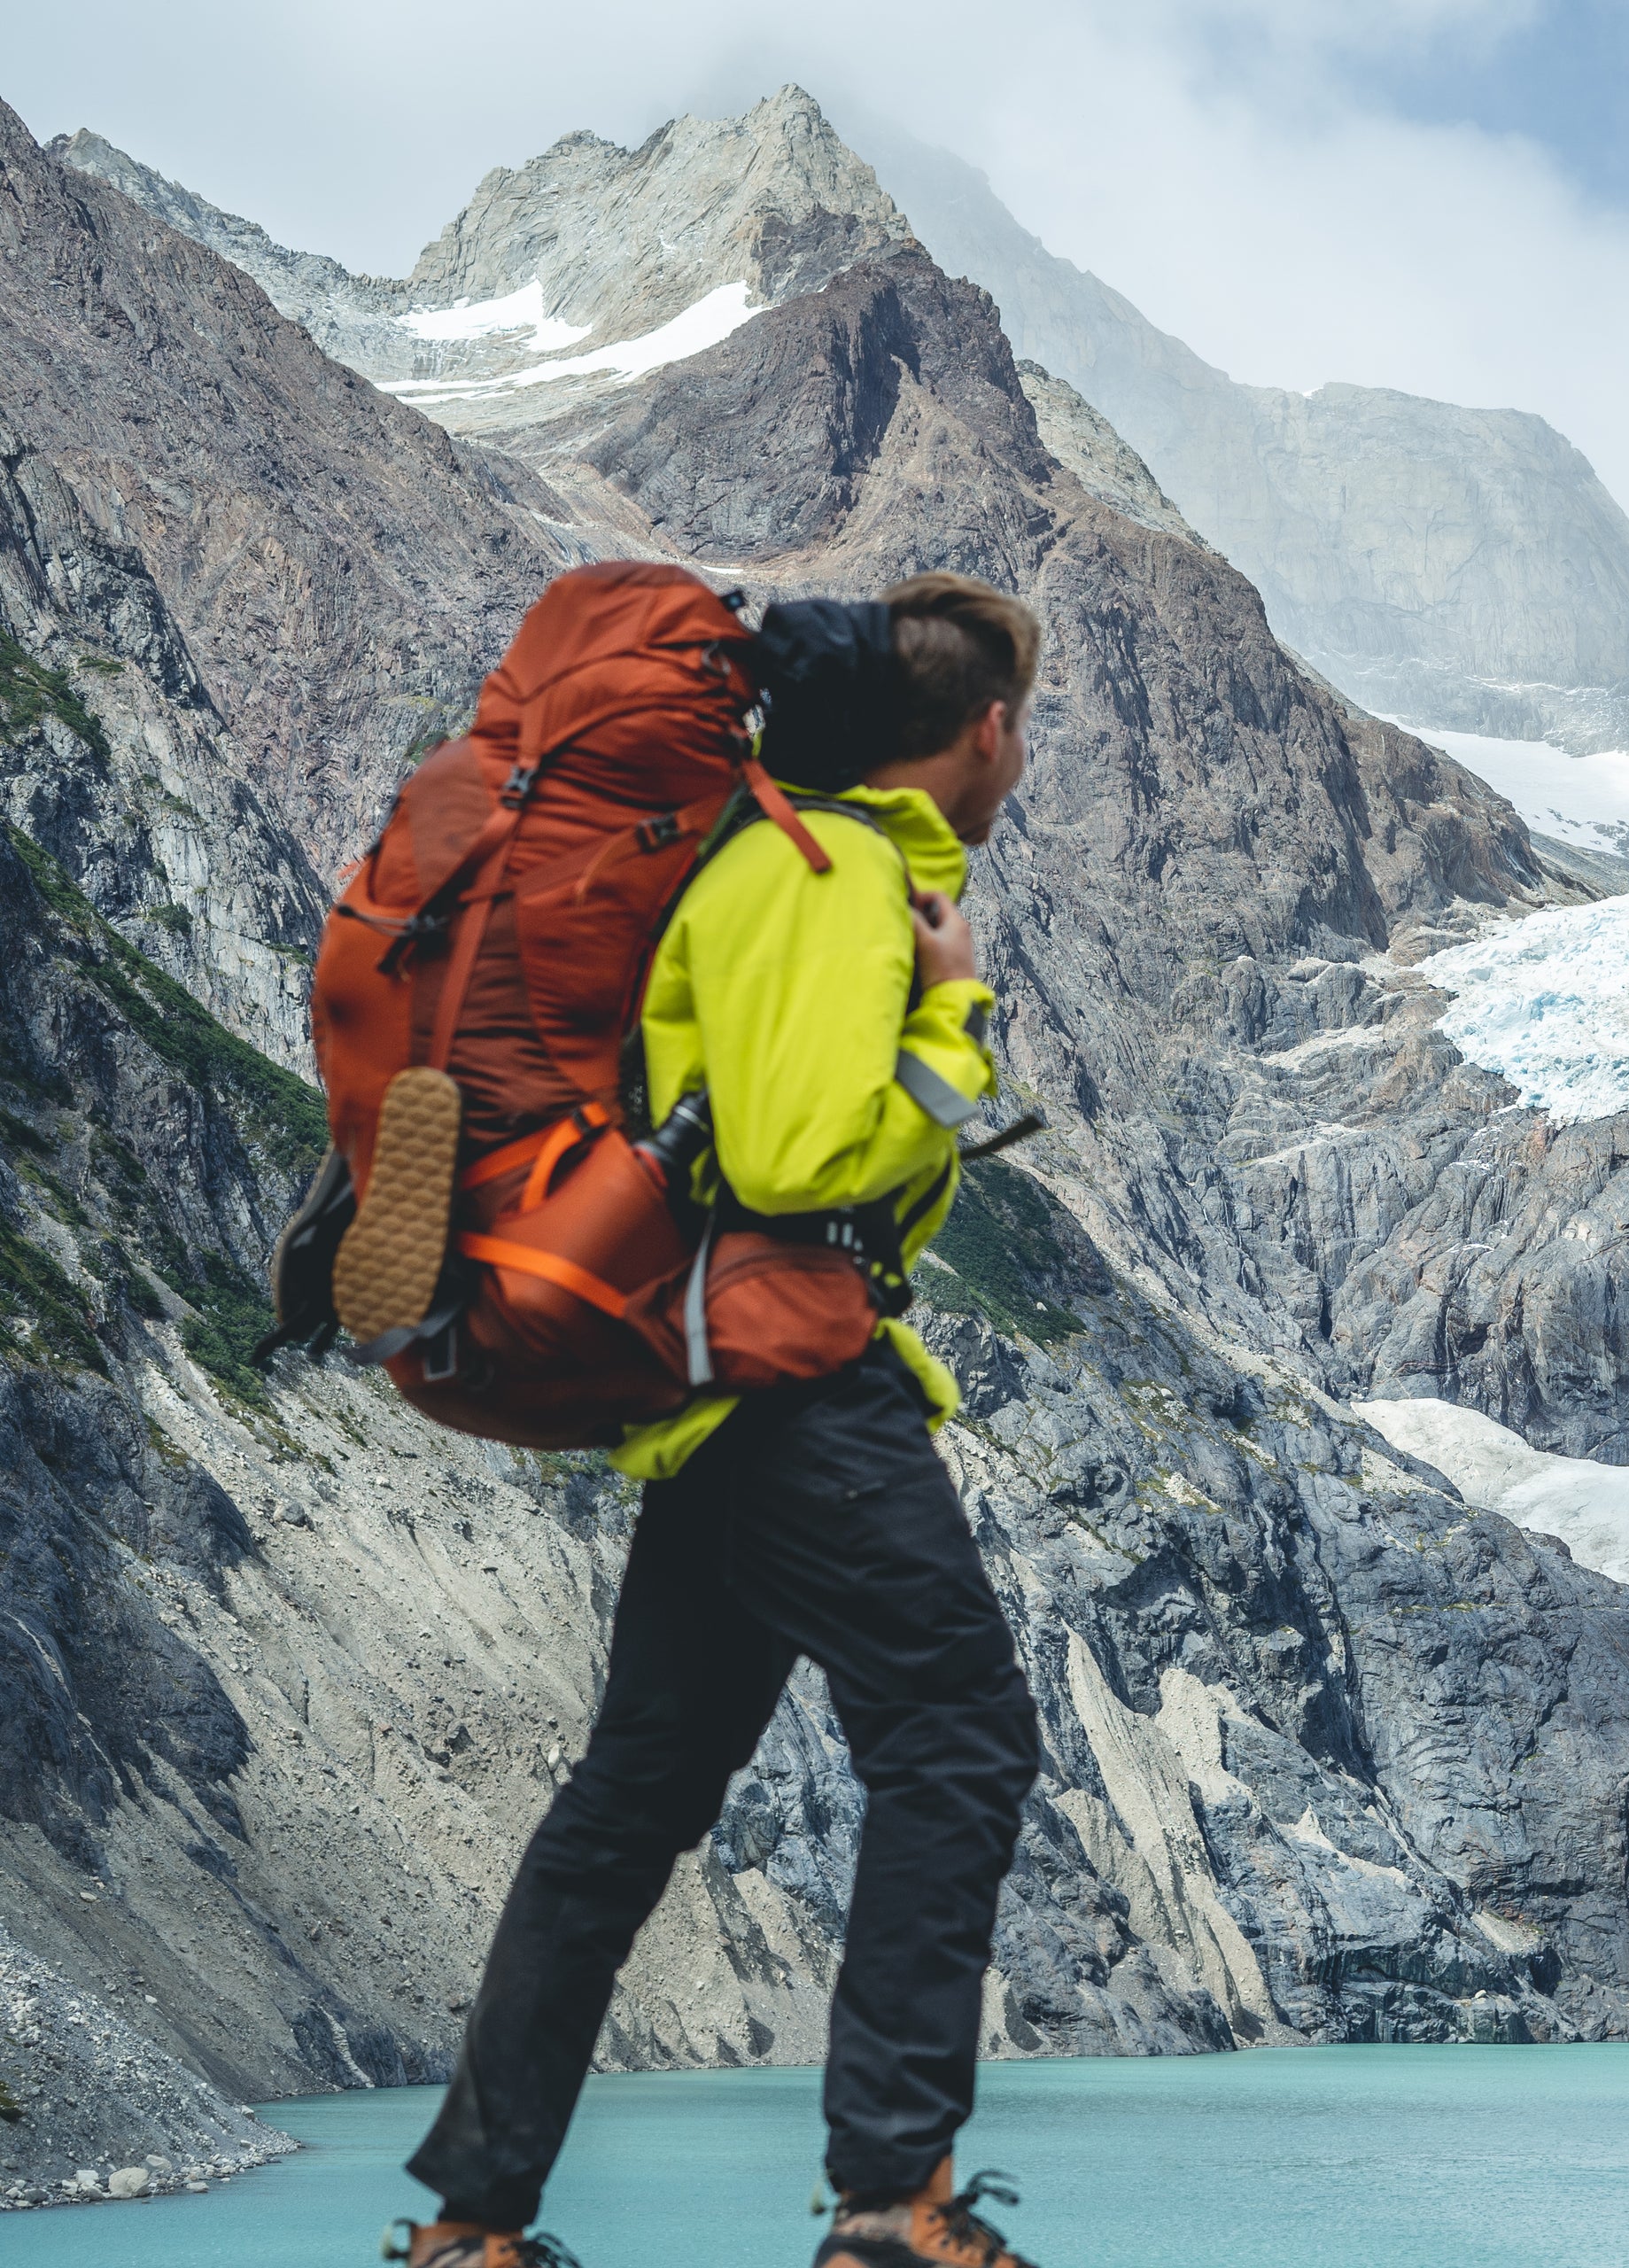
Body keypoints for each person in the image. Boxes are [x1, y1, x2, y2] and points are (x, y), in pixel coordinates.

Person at [393, 573, 1048, 2268]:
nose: (1019, 754)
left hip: (719, 1398)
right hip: (793, 1381)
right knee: (958, 1729)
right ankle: (892, 2204)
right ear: (982, 732)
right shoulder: (831, 875)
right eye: (1021, 729)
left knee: (632, 1798)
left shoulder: (774, 857)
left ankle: (473, 2226)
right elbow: (794, 1157)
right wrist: (954, 1012)